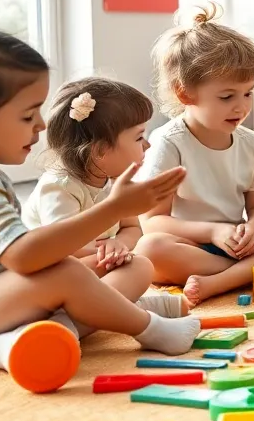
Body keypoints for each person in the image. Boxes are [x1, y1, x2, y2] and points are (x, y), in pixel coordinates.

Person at [0, 30, 197, 393]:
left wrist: (115, 227)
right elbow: (23, 257)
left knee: (124, 266)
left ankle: (13, 341)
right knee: (68, 273)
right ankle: (148, 327)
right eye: (27, 116)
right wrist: (114, 209)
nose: (41, 126)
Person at [136, 6, 254, 305]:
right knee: (149, 249)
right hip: (190, 246)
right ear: (185, 94)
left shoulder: (251, 143)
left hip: (239, 244)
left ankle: (219, 282)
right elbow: (154, 222)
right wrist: (213, 231)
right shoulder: (169, 143)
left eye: (247, 93)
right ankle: (245, 276)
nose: (241, 107)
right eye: (226, 96)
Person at [22, 77, 187, 316]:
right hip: (54, 272)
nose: (148, 146)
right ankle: (89, 315)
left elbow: (133, 228)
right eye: (139, 137)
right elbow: (62, 245)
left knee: (140, 266)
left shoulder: (117, 179)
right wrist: (108, 254)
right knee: (122, 266)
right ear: (100, 150)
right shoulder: (59, 187)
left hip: (96, 266)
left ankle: (113, 308)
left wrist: (118, 245)